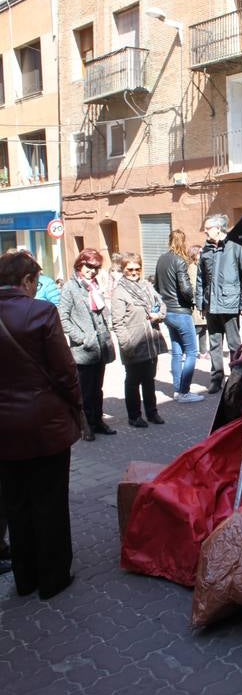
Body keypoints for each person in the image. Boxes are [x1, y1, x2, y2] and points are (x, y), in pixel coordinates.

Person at [0, 249, 82, 599]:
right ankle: (53, 578)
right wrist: (77, 405)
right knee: (49, 499)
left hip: (4, 427)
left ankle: (26, 577)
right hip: (43, 421)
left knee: (16, 502)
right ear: (27, 281)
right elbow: (65, 370)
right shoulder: (40, 311)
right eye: (36, 281)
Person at [59, 248, 116, 441]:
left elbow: (101, 313)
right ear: (80, 264)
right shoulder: (70, 287)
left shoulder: (94, 285)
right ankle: (86, 426)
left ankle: (98, 421)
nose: (92, 271)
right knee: (85, 390)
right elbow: (63, 317)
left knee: (97, 388)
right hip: (84, 349)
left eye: (96, 268)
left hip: (100, 346)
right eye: (89, 266)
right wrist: (82, 337)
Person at [195, 213, 242, 394]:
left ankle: (237, 377)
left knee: (234, 343)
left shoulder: (236, 246)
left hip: (230, 302)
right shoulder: (205, 250)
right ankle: (216, 378)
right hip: (210, 304)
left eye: (208, 229)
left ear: (219, 228)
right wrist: (200, 304)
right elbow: (200, 279)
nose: (205, 232)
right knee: (214, 343)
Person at [111, 253, 167, 427]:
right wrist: (126, 344)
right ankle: (134, 416)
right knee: (133, 381)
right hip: (133, 343)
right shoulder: (120, 292)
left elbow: (162, 304)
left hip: (150, 341)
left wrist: (159, 315)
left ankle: (152, 413)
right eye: (130, 269)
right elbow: (117, 322)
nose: (134, 272)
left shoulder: (147, 286)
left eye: (137, 268)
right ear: (123, 270)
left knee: (149, 379)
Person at [155, 230, 199, 403]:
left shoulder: (161, 259)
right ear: (183, 242)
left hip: (168, 311)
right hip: (181, 311)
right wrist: (193, 298)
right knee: (192, 352)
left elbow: (157, 285)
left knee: (177, 351)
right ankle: (184, 391)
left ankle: (177, 389)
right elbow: (186, 289)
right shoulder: (180, 261)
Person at [188, 245, 208, 358]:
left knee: (203, 329)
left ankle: (203, 352)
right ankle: (188, 350)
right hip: (196, 303)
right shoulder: (192, 268)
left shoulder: (200, 266)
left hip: (202, 302)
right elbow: (194, 286)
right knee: (197, 328)